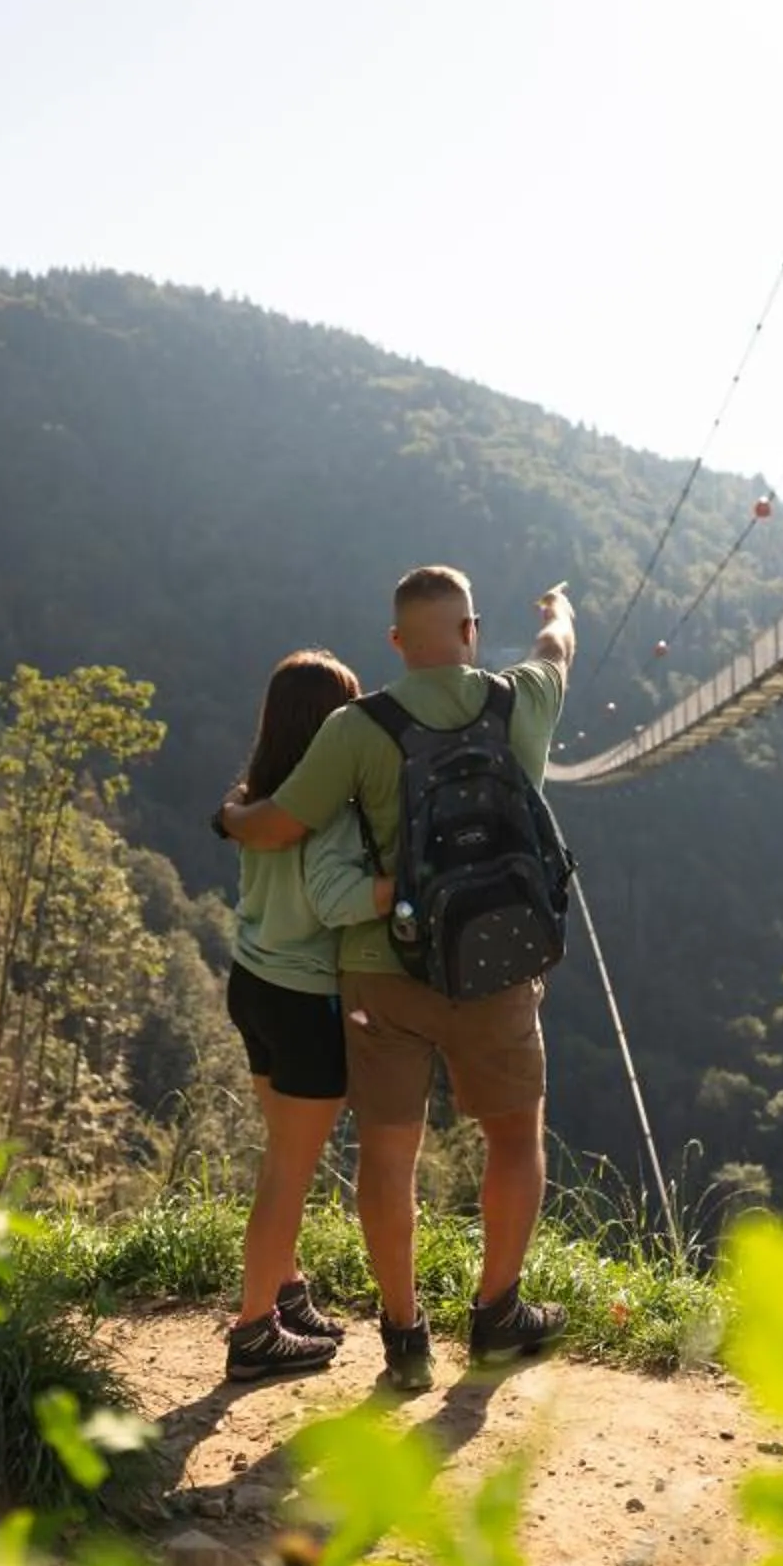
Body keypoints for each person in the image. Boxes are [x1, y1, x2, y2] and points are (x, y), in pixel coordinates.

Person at [221, 565, 574, 1392]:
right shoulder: (521, 695)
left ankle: (405, 1336)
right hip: (500, 970)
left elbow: (279, 825)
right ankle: (497, 1317)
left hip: (383, 973)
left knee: (388, 1153)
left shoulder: (355, 727)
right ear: (471, 631)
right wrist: (558, 611)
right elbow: (558, 648)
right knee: (515, 1138)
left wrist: (233, 816)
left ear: (394, 643)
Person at [212, 649, 396, 1382]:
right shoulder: (330, 813)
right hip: (306, 998)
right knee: (288, 1169)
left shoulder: (256, 798)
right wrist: (407, 885)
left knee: (285, 1156)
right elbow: (336, 902)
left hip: (252, 983)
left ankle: (285, 1293)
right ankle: (255, 1331)